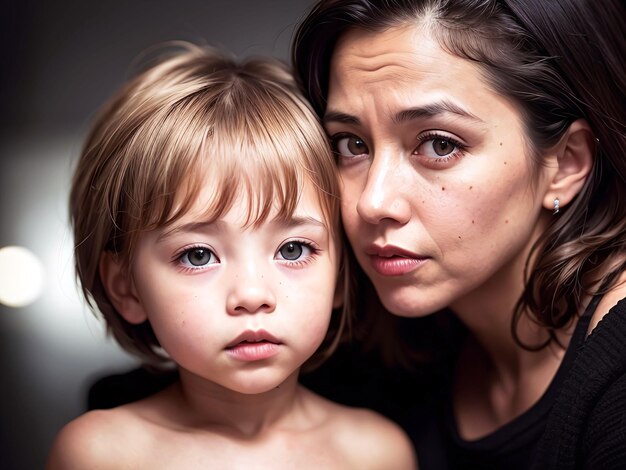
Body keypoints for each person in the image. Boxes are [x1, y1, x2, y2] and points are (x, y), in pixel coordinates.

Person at [46, 43, 417, 469]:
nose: (253, 294)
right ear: (125, 287)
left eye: (293, 249)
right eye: (199, 255)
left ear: (339, 276)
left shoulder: (377, 452)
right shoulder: (100, 454)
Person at [292, 0, 626, 468]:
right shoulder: (376, 340)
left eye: (439, 144)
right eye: (353, 145)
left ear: (565, 163)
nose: (372, 202)